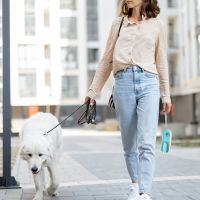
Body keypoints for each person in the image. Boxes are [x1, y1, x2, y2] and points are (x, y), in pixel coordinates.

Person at [85, 0, 172, 199]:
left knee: (147, 142)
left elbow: (161, 60)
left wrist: (165, 94)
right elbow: (106, 60)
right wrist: (93, 91)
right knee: (129, 143)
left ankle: (145, 192)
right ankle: (135, 184)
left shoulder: (157, 24)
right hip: (123, 83)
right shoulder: (118, 24)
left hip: (149, 83)